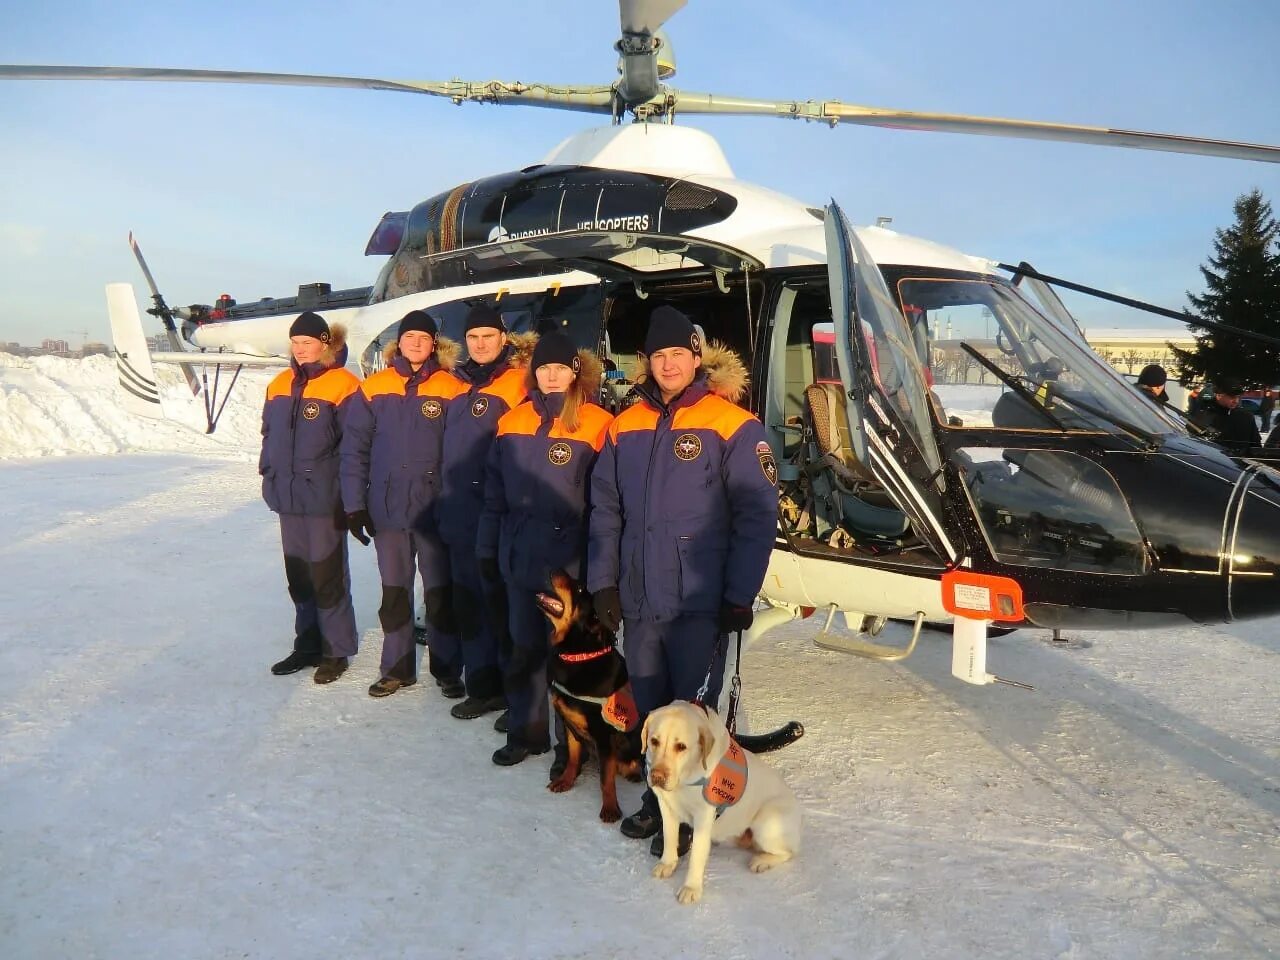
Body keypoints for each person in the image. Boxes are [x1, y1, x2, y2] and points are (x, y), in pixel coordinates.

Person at [587, 304, 778, 844]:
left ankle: (700, 811)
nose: (668, 365)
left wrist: (739, 594)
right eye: (658, 356)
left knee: (695, 719)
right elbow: (605, 509)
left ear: (697, 357)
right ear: (647, 362)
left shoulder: (733, 426)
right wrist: (603, 582)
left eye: (678, 354)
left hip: (701, 599)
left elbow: (757, 514)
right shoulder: (625, 426)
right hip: (642, 597)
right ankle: (658, 799)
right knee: (653, 714)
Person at [478, 330, 611, 766]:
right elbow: (494, 498)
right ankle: (526, 730)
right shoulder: (512, 421)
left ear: (574, 374)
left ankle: (570, 745)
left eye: (559, 369)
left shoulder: (597, 423)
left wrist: (599, 573)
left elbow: (604, 506)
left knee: (568, 660)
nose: (551, 377)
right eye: (544, 369)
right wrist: (487, 548)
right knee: (524, 651)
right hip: (519, 558)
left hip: (567, 566)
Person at [340, 310, 467, 698]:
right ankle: (396, 668)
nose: (416, 343)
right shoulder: (373, 388)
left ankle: (447, 668)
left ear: (434, 345)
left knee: (439, 593)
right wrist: (353, 504)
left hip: (433, 511)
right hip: (388, 508)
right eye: (409, 336)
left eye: (423, 338)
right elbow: (354, 450)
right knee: (394, 592)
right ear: (400, 341)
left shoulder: (452, 388)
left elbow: (461, 454)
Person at [436, 305, 535, 721]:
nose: (480, 345)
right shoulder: (454, 384)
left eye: (488, 337)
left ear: (503, 339)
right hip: (458, 512)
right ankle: (481, 686)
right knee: (470, 603)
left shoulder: (519, 383)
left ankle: (515, 693)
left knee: (503, 605)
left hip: (497, 514)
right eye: (473, 338)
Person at [262, 312, 362, 684]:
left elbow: (354, 448)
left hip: (325, 499)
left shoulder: (344, 385)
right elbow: (268, 436)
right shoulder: (277, 384)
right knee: (299, 576)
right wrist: (268, 475)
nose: (301, 350)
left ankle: (336, 649)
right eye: (296, 343)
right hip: (288, 497)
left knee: (327, 575)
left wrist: (352, 499)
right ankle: (307, 643)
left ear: (325, 344)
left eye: (308, 342)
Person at [1191, 375, 1261, 454]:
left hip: (1243, 464)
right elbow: (1194, 449)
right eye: (1232, 397)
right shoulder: (1204, 416)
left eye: (1238, 397)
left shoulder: (1246, 417)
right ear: (1219, 395)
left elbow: (1256, 447)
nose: (1236, 401)